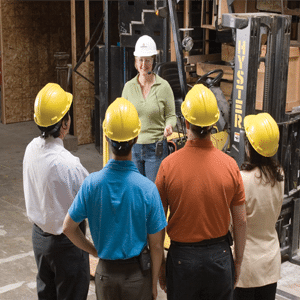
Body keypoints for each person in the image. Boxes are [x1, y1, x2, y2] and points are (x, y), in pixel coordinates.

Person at [63, 97, 167, 300]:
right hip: (137, 276)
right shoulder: (147, 189)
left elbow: (68, 228)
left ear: (106, 138)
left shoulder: (92, 184)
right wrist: (154, 284)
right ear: (136, 138)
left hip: (105, 275)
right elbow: (156, 246)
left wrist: (95, 252)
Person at [155, 84, 247, 300]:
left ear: (186, 123)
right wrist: (238, 261)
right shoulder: (230, 165)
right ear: (214, 124)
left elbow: (158, 223)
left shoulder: (168, 166)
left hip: (181, 259)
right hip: (220, 257)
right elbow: (241, 221)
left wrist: (160, 266)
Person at [23, 83, 90, 300]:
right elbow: (91, 197)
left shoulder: (31, 148)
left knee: (47, 292)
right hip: (66, 244)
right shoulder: (69, 164)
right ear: (64, 124)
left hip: (39, 238)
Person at [234, 113, 284, 300]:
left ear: (250, 147)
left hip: (246, 264)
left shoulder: (242, 179)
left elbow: (235, 222)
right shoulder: (279, 175)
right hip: (270, 261)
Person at [121, 34, 177, 182]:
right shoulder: (128, 88)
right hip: (133, 148)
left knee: (154, 191)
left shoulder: (164, 86)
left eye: (147, 60)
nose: (143, 64)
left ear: (153, 61)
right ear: (135, 61)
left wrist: (169, 125)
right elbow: (122, 115)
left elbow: (171, 115)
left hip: (156, 148)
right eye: (140, 60)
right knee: (135, 191)